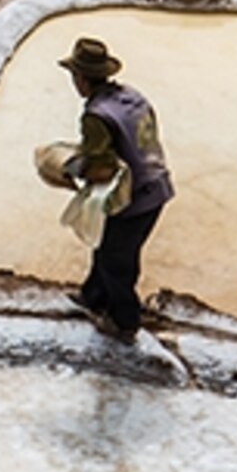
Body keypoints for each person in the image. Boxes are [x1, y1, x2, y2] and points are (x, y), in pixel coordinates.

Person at [61, 35, 172, 340]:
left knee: (116, 261)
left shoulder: (96, 116)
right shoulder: (130, 96)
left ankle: (124, 322)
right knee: (106, 243)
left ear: (81, 78)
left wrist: (69, 168)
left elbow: (102, 167)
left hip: (134, 198)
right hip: (157, 184)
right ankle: (93, 296)